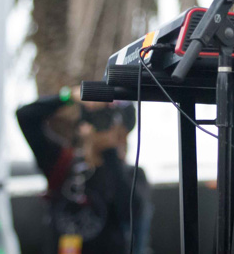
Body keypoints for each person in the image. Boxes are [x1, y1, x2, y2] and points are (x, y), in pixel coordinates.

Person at [16, 87, 152, 254]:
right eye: (95, 118)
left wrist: (109, 152)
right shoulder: (62, 163)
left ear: (123, 132)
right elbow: (25, 116)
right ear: (82, 124)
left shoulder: (132, 175)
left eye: (108, 120)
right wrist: (70, 97)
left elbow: (131, 216)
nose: (100, 125)